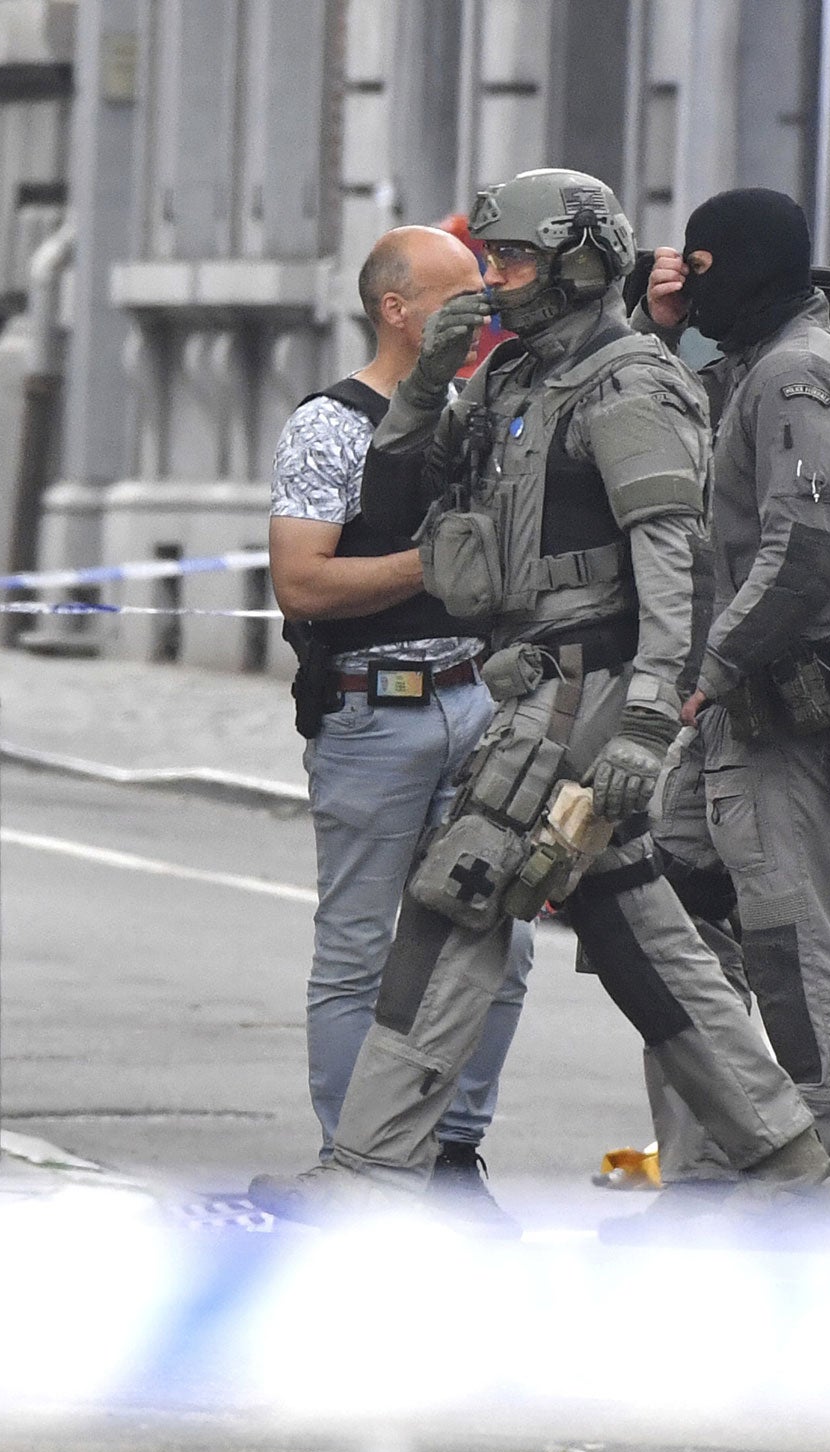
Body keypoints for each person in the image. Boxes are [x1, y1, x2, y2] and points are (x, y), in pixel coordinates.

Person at [246, 169, 830, 1225]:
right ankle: (798, 1176)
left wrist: (651, 713)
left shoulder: (627, 386)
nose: (497, 279)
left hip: (585, 694)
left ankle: (364, 1178)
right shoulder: (514, 378)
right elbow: (397, 499)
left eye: (513, 259)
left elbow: (675, 562)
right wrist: (427, 383)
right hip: (530, 685)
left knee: (459, 892)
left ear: (576, 259)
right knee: (639, 941)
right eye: (489, 259)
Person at [619, 187, 830, 1216]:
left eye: (701, 263)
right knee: (667, 930)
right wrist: (659, 327)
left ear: (743, 265)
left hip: (772, 716)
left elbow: (805, 552)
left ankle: (824, 1194)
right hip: (728, 720)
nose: (690, 282)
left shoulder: (796, 374)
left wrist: (706, 670)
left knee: (795, 957)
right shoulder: (756, 363)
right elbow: (673, 400)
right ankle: (711, 1172)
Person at [269, 224, 534, 1235]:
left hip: (474, 703)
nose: (480, 309)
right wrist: (437, 566)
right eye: (457, 294)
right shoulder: (329, 427)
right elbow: (300, 580)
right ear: (395, 308)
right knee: (356, 951)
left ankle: (452, 1155)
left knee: (496, 947)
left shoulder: (475, 416)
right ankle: (354, 1165)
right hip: (372, 714)